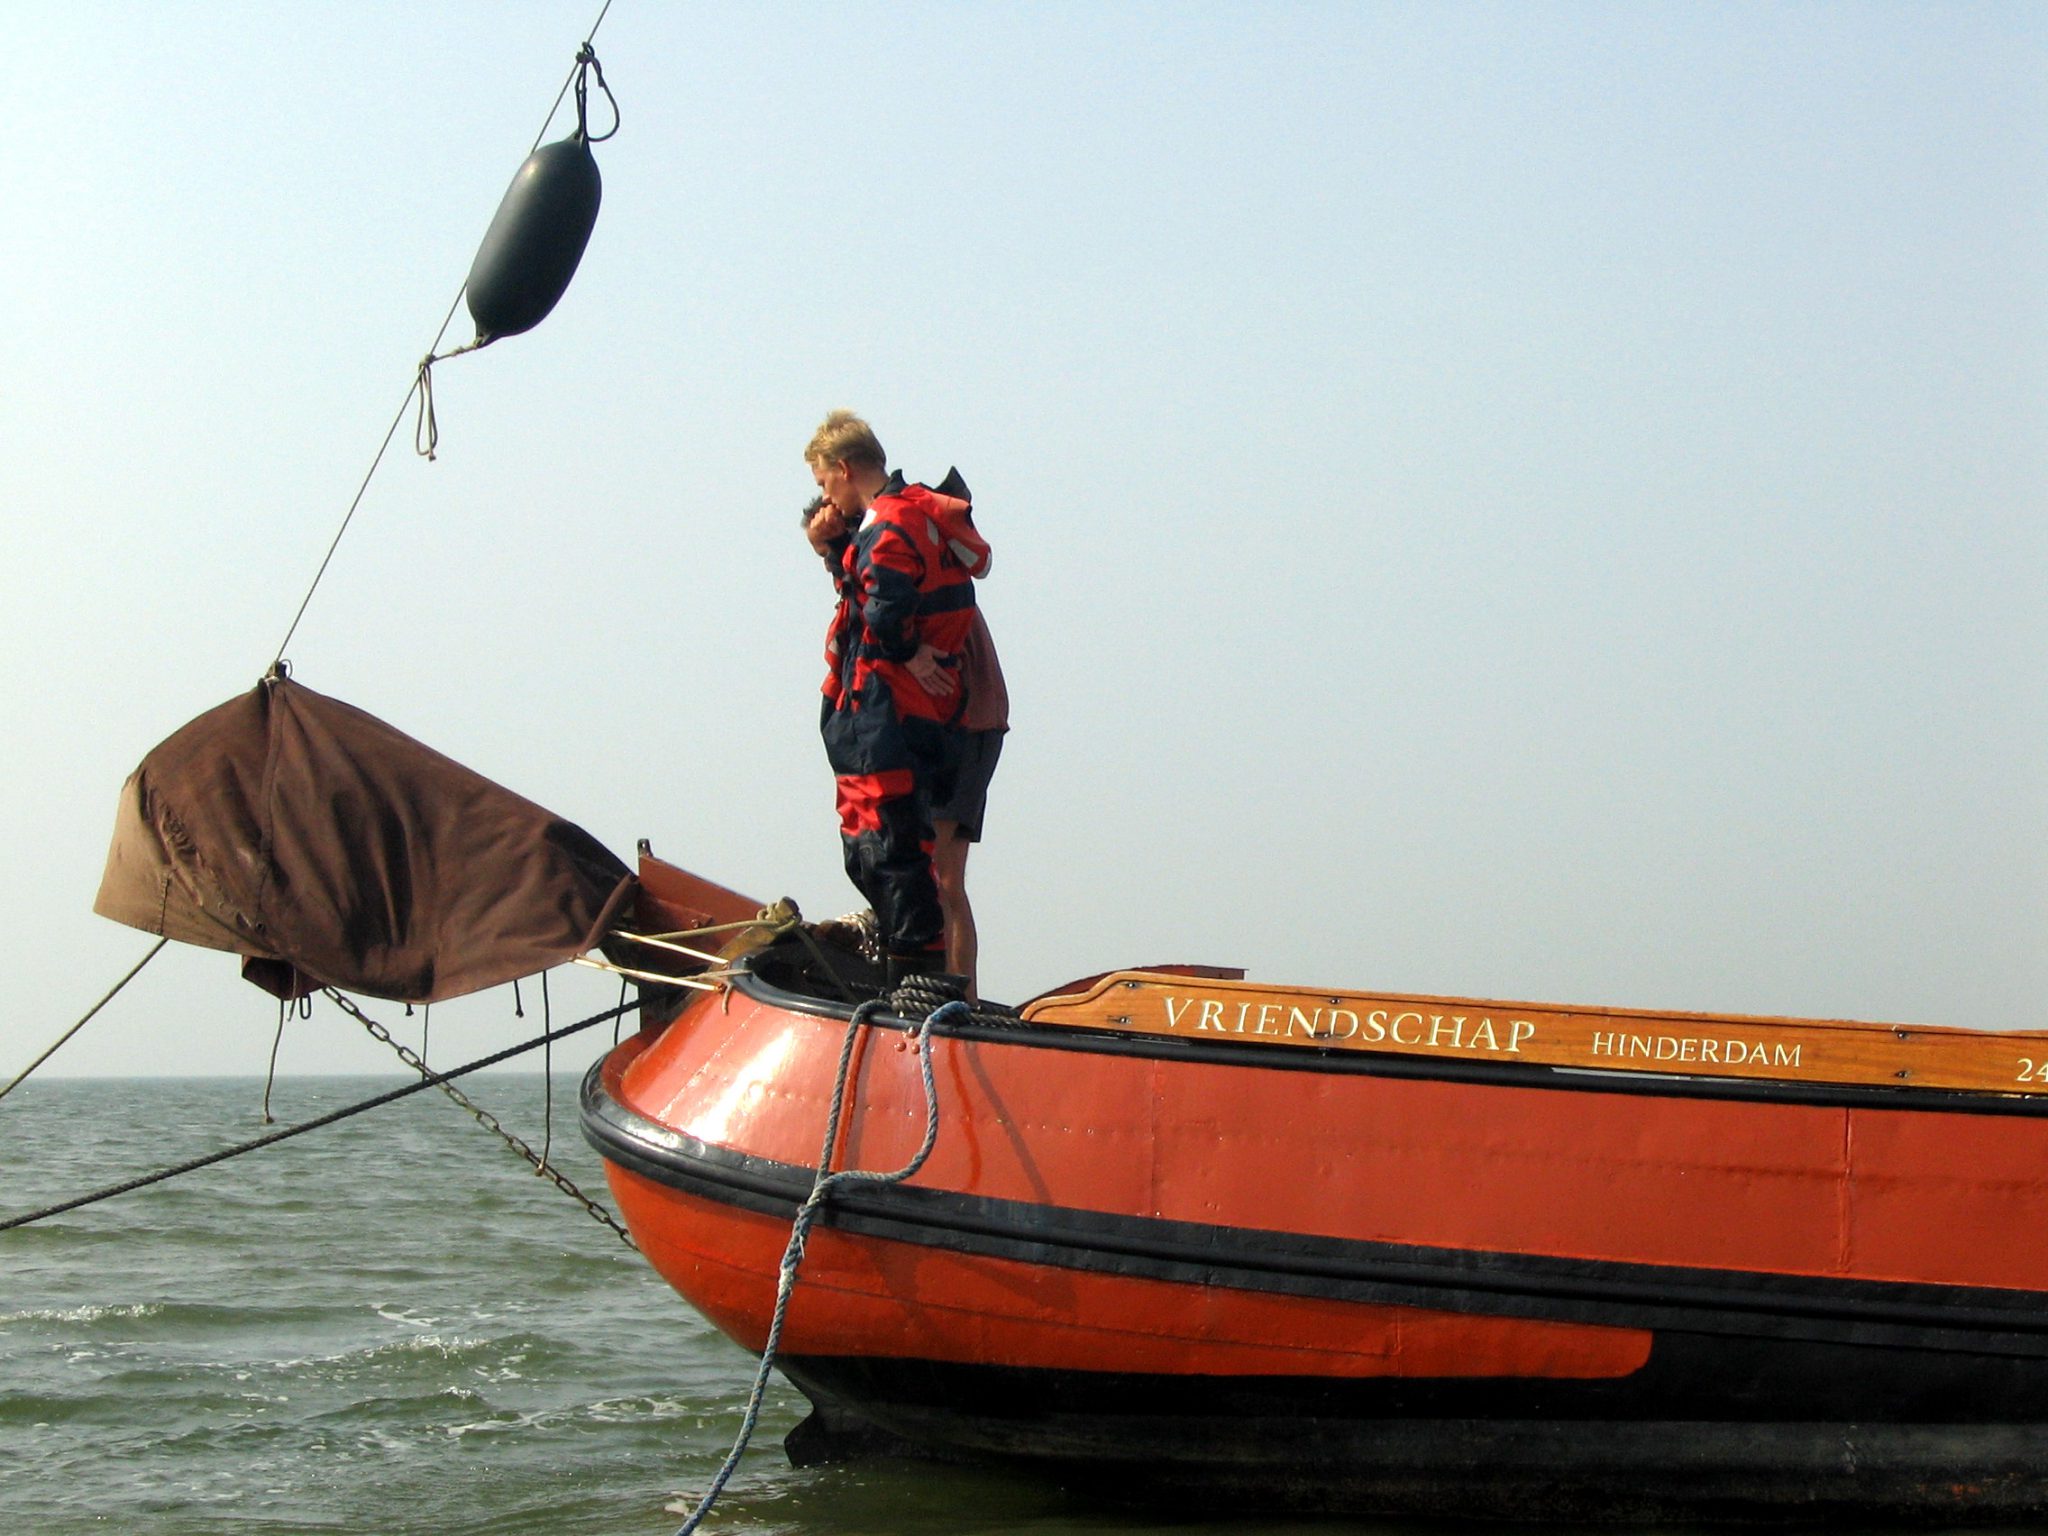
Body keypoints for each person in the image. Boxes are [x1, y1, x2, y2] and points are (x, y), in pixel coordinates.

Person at [804, 410, 996, 986]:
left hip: (904, 711)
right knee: (902, 853)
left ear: (843, 470)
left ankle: (927, 983)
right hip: (922, 712)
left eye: (823, 484)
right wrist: (836, 549)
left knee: (900, 852)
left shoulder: (889, 526)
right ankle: (924, 975)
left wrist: (902, 648)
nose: (826, 497)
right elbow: (869, 595)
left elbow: (880, 608)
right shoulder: (918, 517)